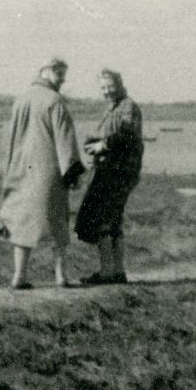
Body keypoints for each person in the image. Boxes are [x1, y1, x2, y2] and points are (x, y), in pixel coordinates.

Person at [0, 57, 85, 288]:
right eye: (59, 73)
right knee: (57, 222)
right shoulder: (55, 100)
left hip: (20, 169)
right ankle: (61, 277)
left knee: (21, 221)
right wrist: (72, 173)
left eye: (63, 74)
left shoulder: (21, 99)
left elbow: (10, 139)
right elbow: (65, 141)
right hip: (48, 171)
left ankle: (19, 277)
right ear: (46, 71)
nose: (62, 79)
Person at [75, 68, 144, 284]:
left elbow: (126, 136)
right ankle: (117, 271)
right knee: (113, 220)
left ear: (120, 84)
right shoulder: (112, 108)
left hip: (119, 173)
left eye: (110, 86)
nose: (106, 91)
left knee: (103, 219)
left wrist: (102, 145)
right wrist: (94, 144)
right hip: (111, 171)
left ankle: (107, 271)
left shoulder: (128, 107)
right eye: (103, 88)